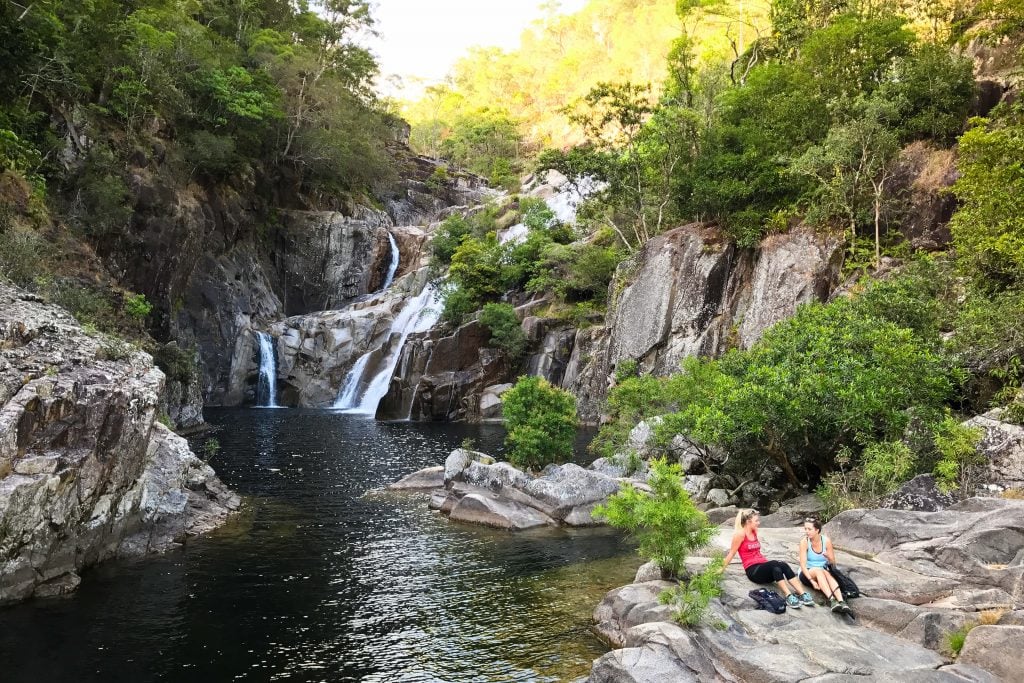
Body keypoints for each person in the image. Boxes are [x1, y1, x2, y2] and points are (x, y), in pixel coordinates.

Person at [723, 508, 814, 609]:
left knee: (781, 565)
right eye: (756, 521)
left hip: (763, 567)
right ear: (748, 522)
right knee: (774, 564)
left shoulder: (754, 532)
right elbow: (731, 553)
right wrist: (720, 569)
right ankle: (789, 596)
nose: (759, 523)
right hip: (753, 571)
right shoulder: (739, 535)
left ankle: (803, 594)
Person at [799, 517, 853, 615]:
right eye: (805, 529)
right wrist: (812, 581)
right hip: (807, 572)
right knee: (819, 571)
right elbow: (802, 565)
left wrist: (829, 557)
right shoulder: (804, 542)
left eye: (809, 529)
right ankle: (832, 600)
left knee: (826, 573)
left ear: (817, 530)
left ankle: (841, 601)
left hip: (823, 571)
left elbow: (833, 564)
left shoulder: (826, 541)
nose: (807, 531)